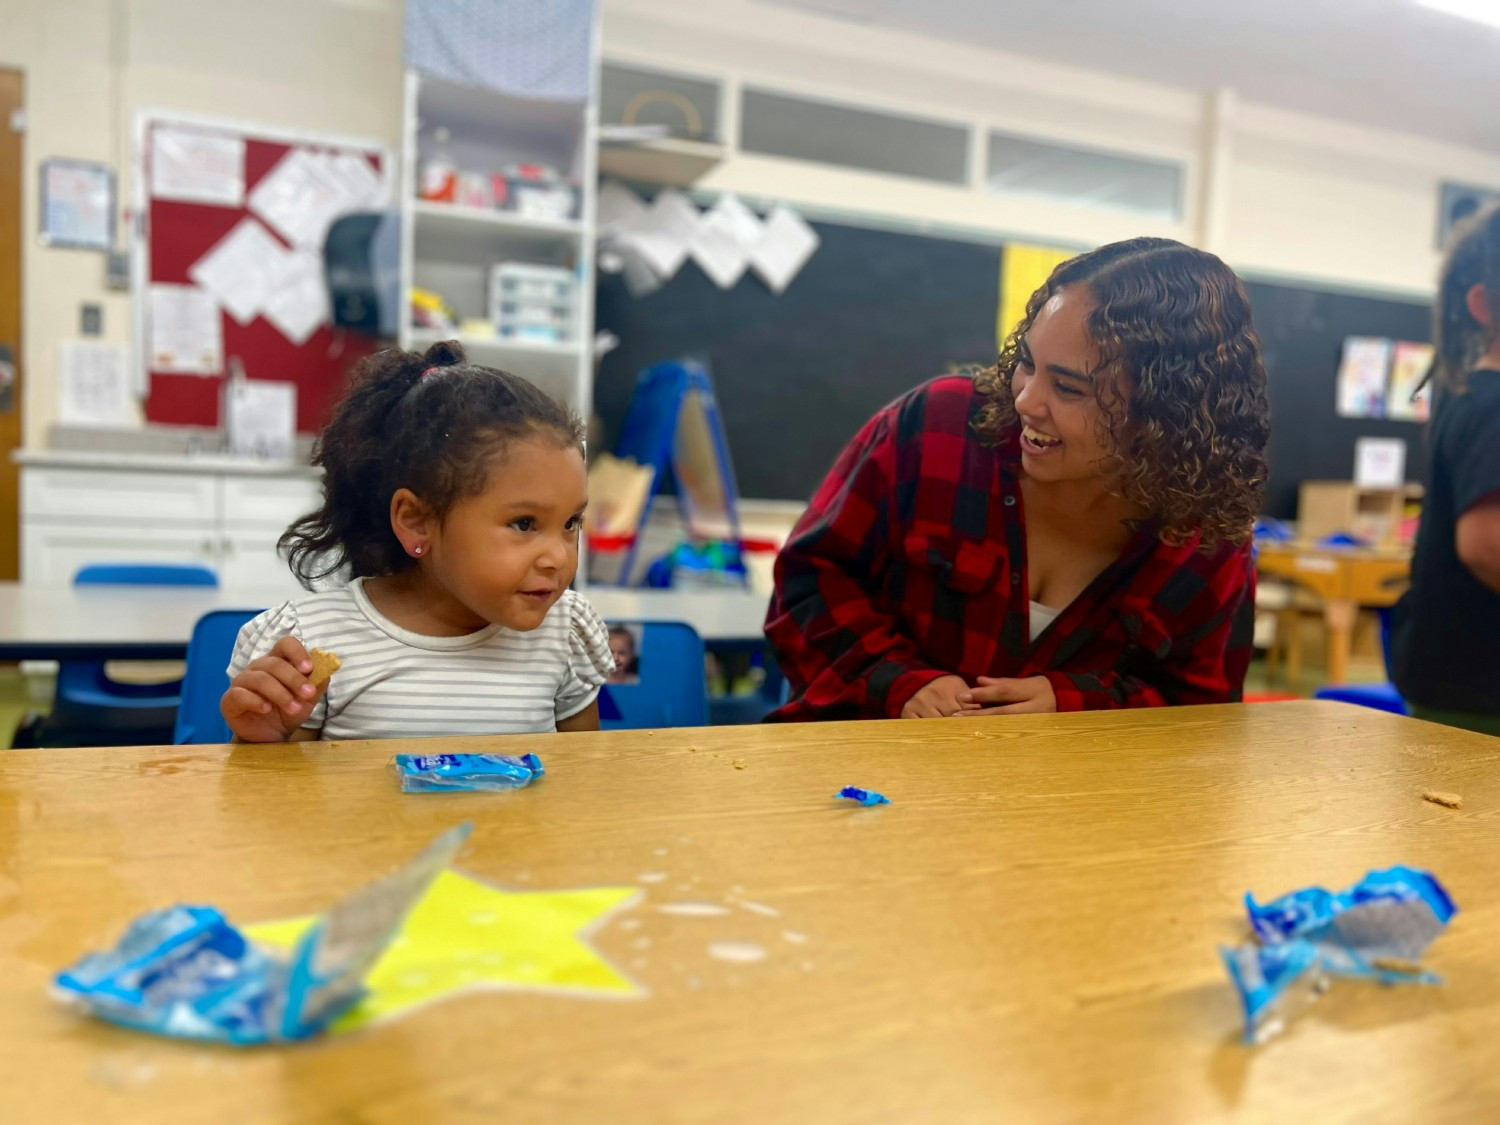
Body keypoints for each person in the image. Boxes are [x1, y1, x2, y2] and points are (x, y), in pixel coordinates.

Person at [766, 237, 1271, 721]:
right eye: (1027, 363)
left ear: (1164, 416)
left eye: (1069, 388)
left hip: (1064, 801)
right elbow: (810, 581)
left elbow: (1201, 715)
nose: (1026, 399)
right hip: (863, 776)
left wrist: (1075, 705)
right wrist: (896, 679)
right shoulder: (936, 428)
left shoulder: (1204, 535)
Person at [222, 341, 614, 742]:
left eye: (571, 522)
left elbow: (579, 783)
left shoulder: (564, 633)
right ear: (416, 522)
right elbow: (268, 801)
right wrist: (265, 739)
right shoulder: (311, 642)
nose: (557, 557)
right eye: (524, 523)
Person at [1391, 205, 1500, 736]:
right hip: (1478, 688)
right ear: (1482, 305)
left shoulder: (1472, 395)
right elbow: (1487, 546)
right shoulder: (1492, 402)